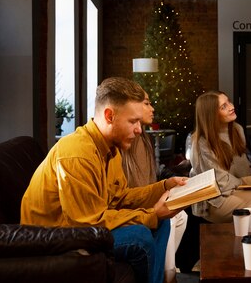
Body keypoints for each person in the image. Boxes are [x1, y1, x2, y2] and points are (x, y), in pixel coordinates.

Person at [21, 77, 188, 283]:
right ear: (110, 115)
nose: (139, 130)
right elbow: (86, 223)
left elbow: (121, 197)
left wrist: (164, 186)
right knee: (140, 236)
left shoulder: (111, 150)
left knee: (162, 223)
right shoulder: (76, 153)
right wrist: (151, 214)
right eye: (133, 121)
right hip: (57, 240)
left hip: (83, 229)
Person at [189, 90, 251, 223]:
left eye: (228, 102)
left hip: (236, 190)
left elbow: (243, 170)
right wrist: (244, 184)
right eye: (223, 107)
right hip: (215, 200)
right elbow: (220, 183)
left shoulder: (237, 130)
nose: (231, 107)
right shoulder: (201, 142)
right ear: (211, 115)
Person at [121, 91, 188, 283]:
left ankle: (165, 272)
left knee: (180, 216)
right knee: (169, 219)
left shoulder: (145, 140)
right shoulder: (122, 142)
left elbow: (150, 179)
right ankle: (169, 275)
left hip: (140, 199)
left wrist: (168, 184)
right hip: (128, 206)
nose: (152, 109)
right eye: (147, 104)